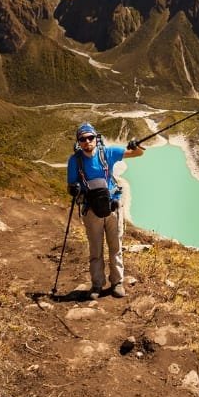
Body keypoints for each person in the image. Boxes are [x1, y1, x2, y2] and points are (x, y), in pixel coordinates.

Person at [66, 122, 144, 299]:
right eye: (83, 139)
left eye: (90, 137)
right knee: (96, 249)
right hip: (91, 210)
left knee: (115, 246)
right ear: (79, 142)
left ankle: (117, 282)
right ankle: (97, 285)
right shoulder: (74, 161)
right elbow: (71, 184)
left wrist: (136, 146)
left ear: (96, 138)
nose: (87, 142)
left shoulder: (108, 153)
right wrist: (74, 189)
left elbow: (137, 153)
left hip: (112, 207)